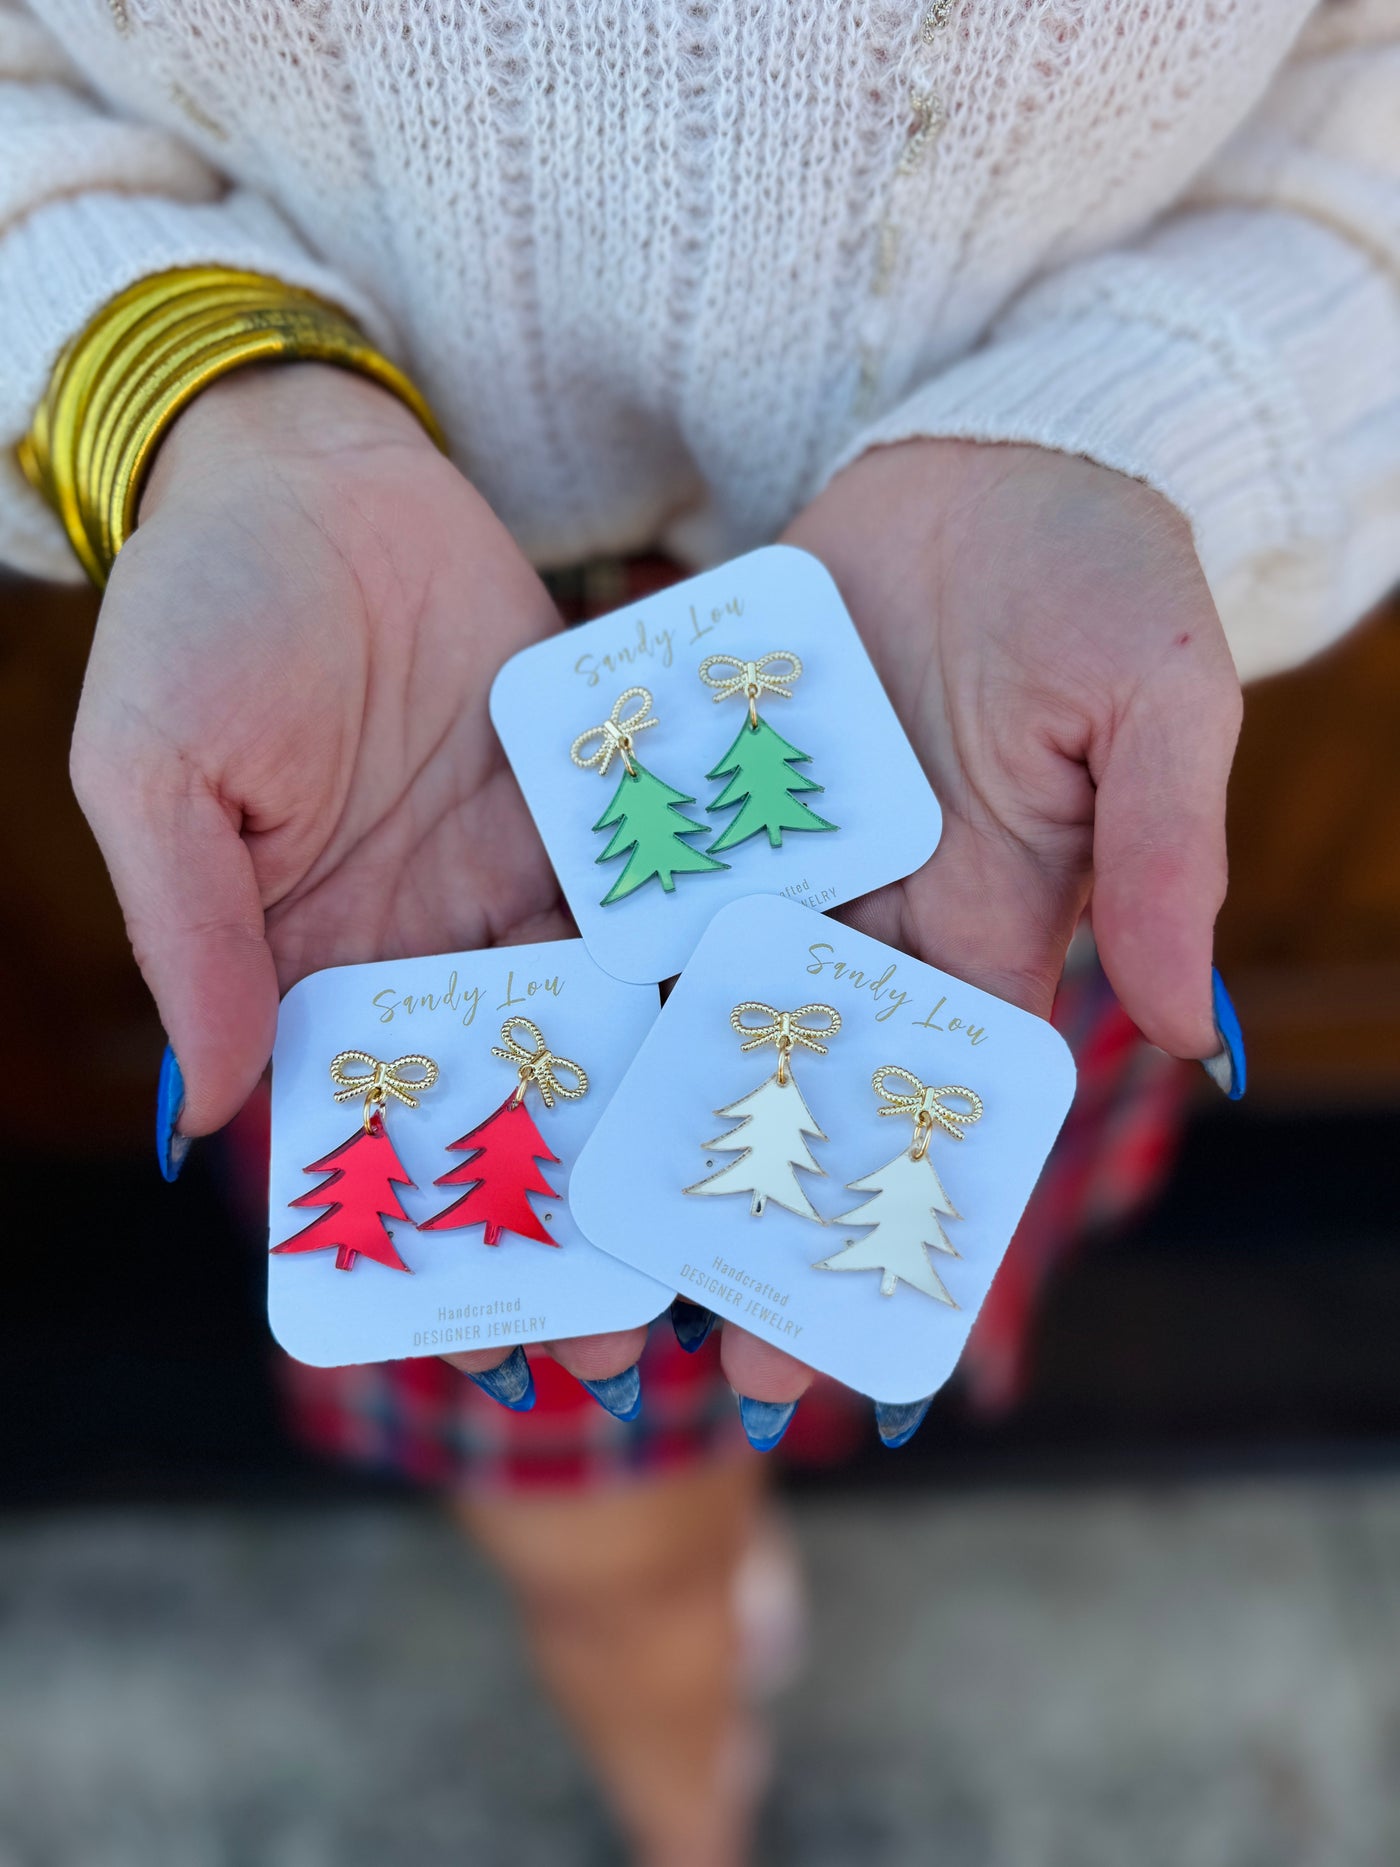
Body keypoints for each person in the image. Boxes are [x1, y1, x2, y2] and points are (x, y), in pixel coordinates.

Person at [4, 2, 1396, 1861]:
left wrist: (1133, 417)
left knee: (860, 1258)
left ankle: (718, 1591)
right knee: (602, 1556)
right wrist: (194, 400)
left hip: (977, 801)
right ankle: (690, 1821)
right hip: (385, 840)